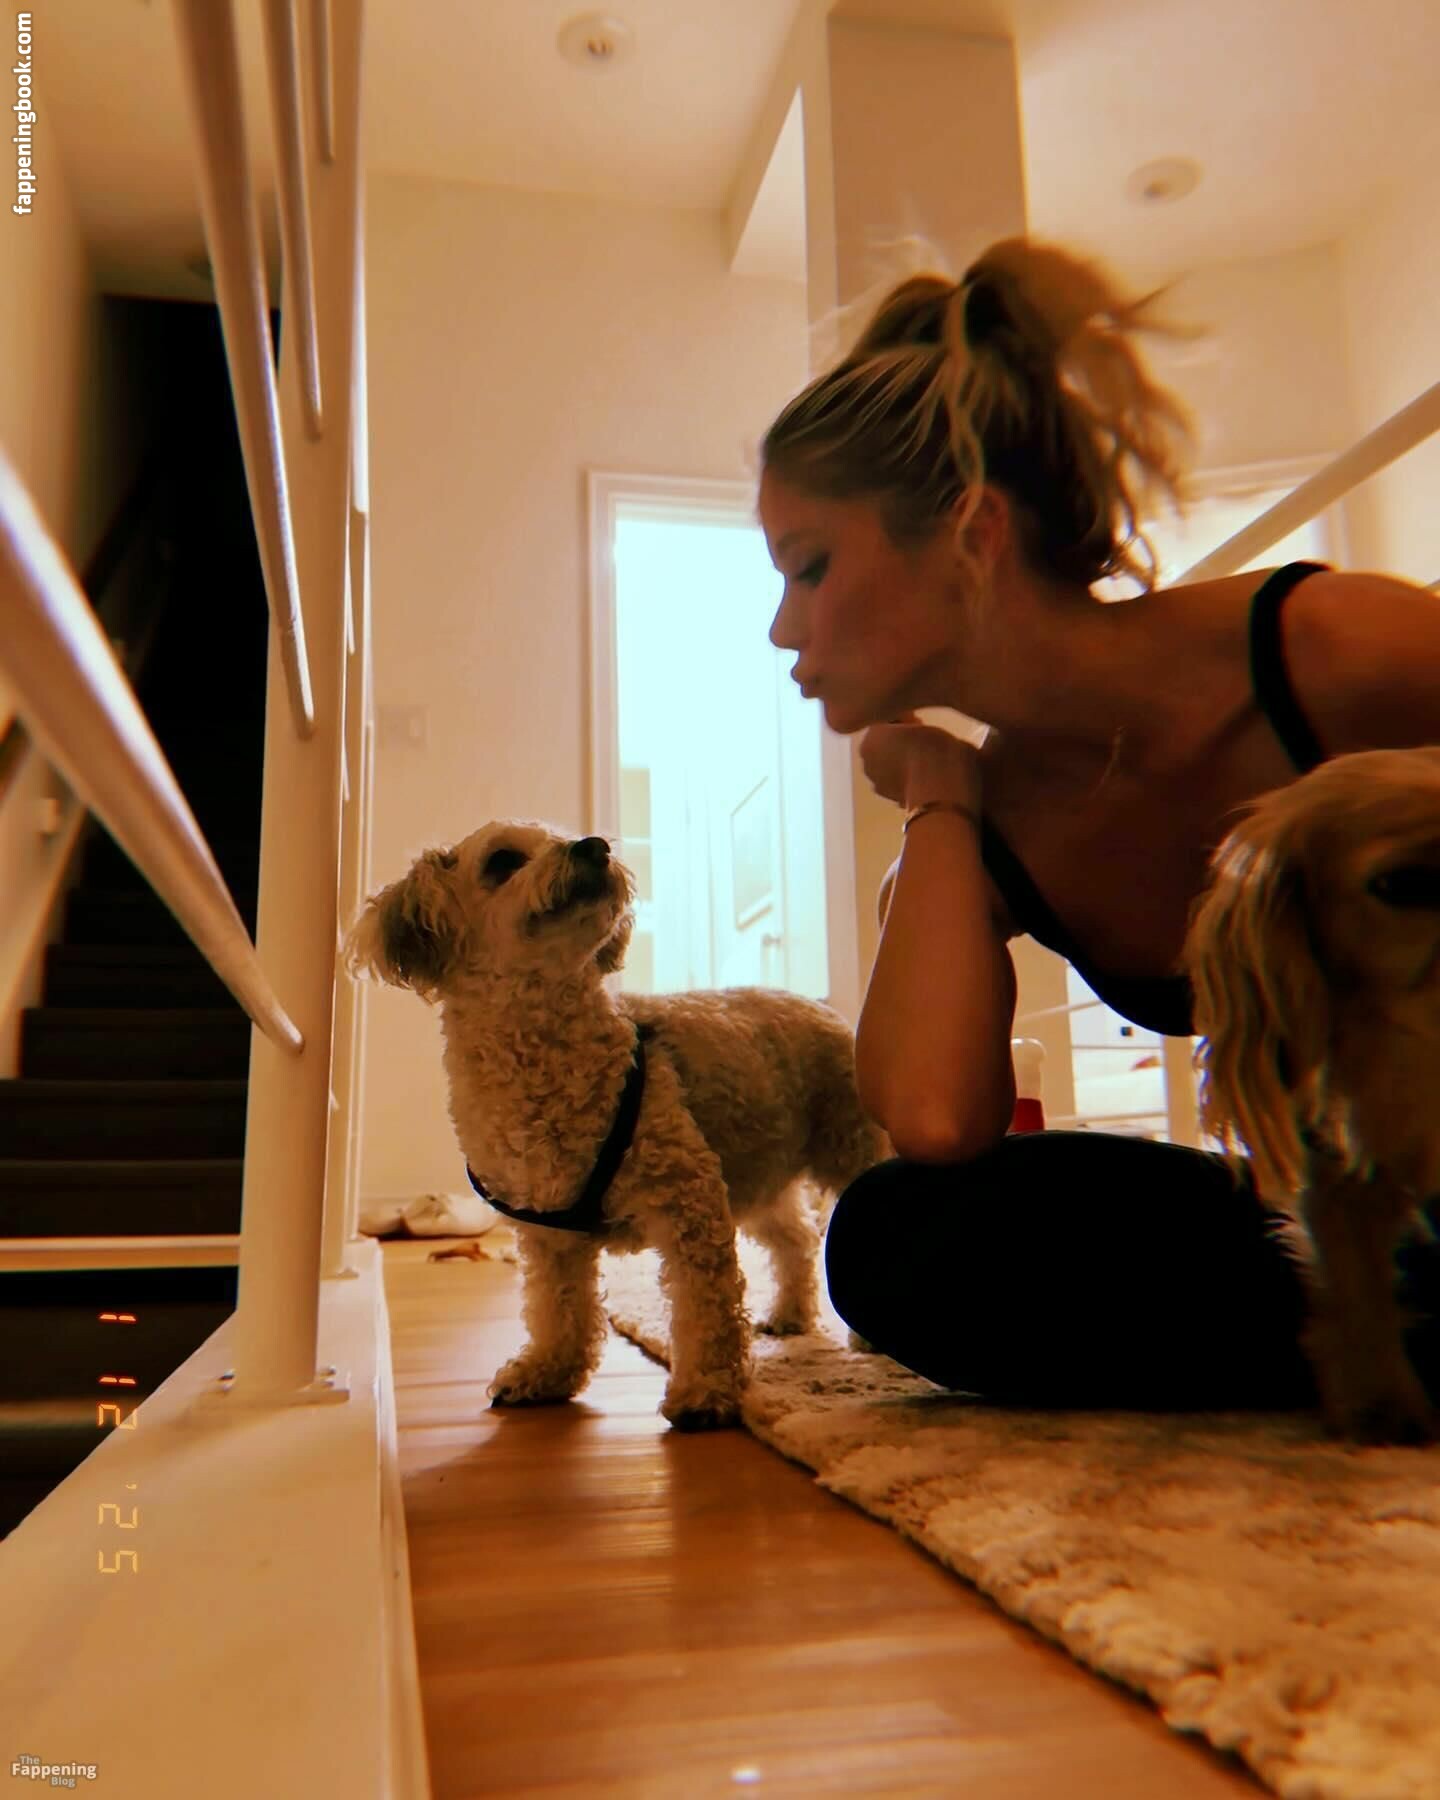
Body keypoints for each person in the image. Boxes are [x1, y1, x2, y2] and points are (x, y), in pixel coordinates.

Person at [756, 236, 1440, 1411]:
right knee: (897, 1233)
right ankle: (1378, 1329)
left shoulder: (1331, 650)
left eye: (809, 566)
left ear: (973, 534)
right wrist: (940, 795)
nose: (783, 626)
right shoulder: (997, 819)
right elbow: (931, 1118)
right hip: (1356, 1209)